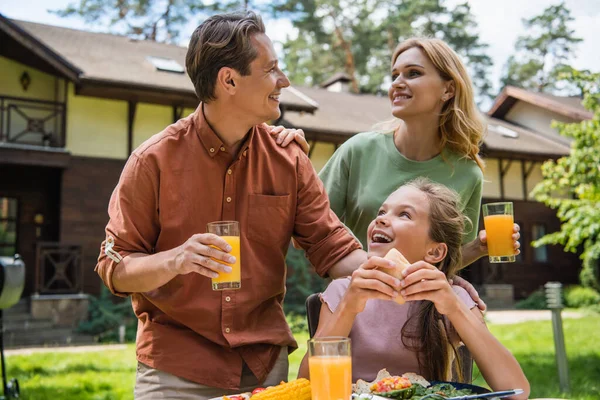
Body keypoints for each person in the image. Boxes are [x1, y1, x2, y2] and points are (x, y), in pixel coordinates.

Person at [94, 11, 378, 400]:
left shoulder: (289, 158)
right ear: (229, 80)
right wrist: (176, 259)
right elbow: (114, 266)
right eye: (271, 70)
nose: (284, 81)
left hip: (264, 369)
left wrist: (397, 273)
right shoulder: (153, 161)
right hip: (176, 371)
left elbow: (331, 247)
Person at [270, 38, 520, 304]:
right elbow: (304, 234)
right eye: (394, 75)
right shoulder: (358, 151)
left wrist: (479, 248)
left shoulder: (468, 173)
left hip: (423, 317)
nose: (397, 83)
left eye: (413, 73)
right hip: (354, 309)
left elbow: (446, 261)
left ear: (448, 89)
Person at [297, 178, 530, 399]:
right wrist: (348, 307)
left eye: (404, 214)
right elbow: (306, 386)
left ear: (434, 252)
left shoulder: (452, 297)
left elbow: (516, 391)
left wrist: (455, 308)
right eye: (381, 212)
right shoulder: (342, 291)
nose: (381, 219)